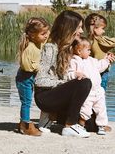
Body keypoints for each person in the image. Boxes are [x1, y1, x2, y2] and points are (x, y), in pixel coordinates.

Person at [34, 10, 92, 138]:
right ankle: (69, 126)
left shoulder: (67, 48)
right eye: (79, 27)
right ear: (69, 28)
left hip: (56, 95)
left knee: (91, 124)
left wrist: (73, 78)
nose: (82, 31)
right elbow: (39, 80)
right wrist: (66, 83)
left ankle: (52, 118)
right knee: (84, 83)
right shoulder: (50, 48)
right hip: (45, 97)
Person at [66, 37, 115, 135]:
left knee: (101, 109)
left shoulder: (91, 60)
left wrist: (107, 60)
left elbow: (100, 66)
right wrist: (75, 74)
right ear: (79, 51)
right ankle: (81, 125)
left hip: (98, 90)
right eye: (88, 50)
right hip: (87, 92)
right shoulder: (74, 61)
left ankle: (102, 126)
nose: (90, 51)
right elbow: (69, 73)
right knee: (85, 110)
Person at [16, 17, 50, 136]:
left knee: (27, 101)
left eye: (46, 33)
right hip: (25, 77)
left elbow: (45, 37)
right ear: (32, 35)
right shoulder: (30, 48)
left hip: (29, 78)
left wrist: (48, 31)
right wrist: (38, 67)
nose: (46, 36)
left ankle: (22, 123)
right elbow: (26, 65)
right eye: (43, 33)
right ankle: (25, 126)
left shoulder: (38, 42)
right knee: (26, 102)